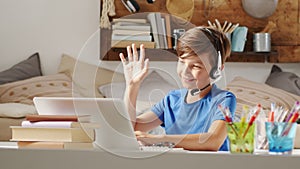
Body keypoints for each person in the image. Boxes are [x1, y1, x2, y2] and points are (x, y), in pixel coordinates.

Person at [119, 26, 236, 151]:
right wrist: (132, 86)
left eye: (195, 66)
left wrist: (159, 139)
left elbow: (213, 141)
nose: (185, 71)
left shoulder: (223, 100)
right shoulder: (172, 100)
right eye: (181, 62)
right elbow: (130, 129)